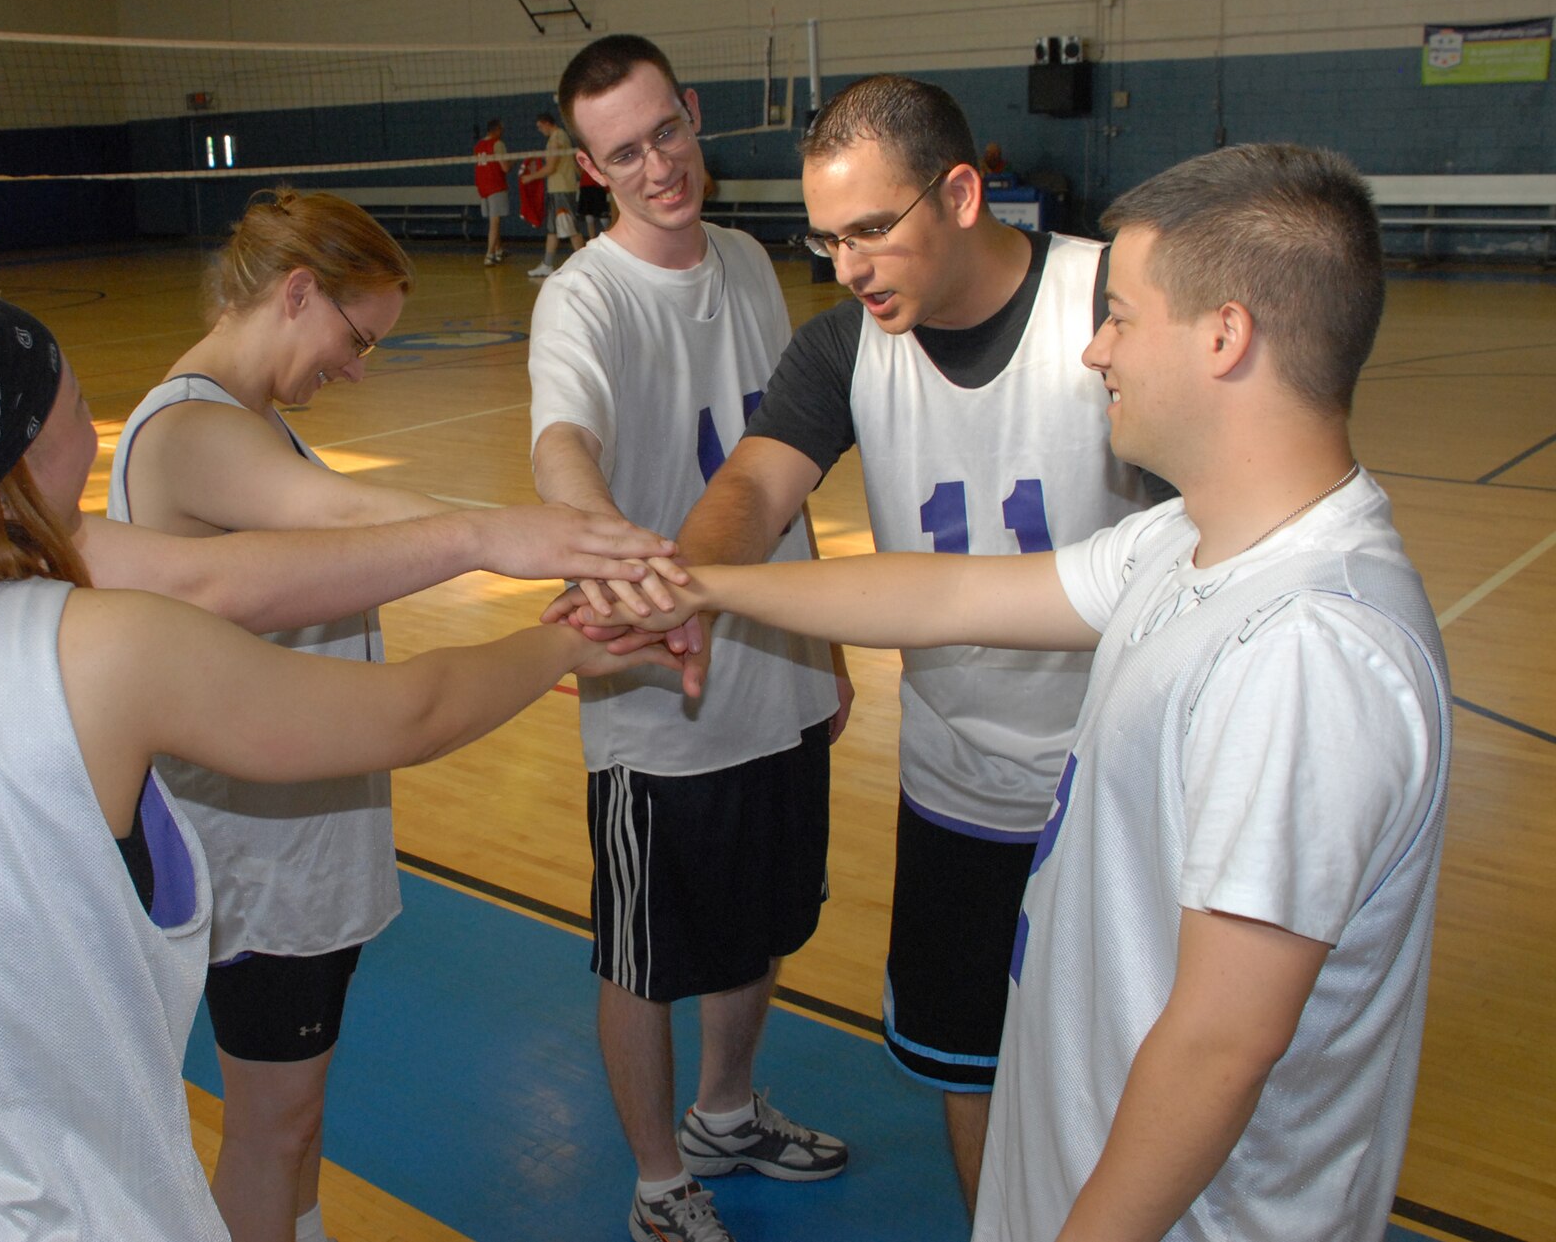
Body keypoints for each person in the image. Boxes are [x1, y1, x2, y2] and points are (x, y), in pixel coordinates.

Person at [0, 159, 665, 1242]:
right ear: (13, 456)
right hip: (28, 1205)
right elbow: (404, 708)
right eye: (76, 407)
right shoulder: (91, 647)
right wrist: (561, 644)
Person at [554, 143, 1451, 1242]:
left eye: (1120, 315)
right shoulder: (1183, 541)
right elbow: (945, 596)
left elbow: (1222, 1046)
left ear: (1224, 336)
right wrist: (696, 586)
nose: (1094, 343)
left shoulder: (1311, 650)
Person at [106, 187, 673, 1242]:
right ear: (295, 292)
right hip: (252, 854)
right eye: (354, 338)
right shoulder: (192, 430)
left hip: (295, 842)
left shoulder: (244, 422)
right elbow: (343, 514)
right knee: (272, 1127)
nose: (356, 369)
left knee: (291, 1118)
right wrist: (520, 539)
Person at [668, 73, 1151, 1207]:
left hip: (1120, 781)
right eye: (827, 239)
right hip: (958, 785)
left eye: (872, 230)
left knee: (1130, 1070)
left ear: (964, 193)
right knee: (968, 1062)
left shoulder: (1103, 309)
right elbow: (752, 482)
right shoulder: (842, 349)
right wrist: (692, 580)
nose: (847, 266)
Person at [528, 34, 848, 1242]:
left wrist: (827, 647)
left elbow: (784, 460)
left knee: (761, 924)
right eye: (624, 152)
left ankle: (725, 1111)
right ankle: (660, 1182)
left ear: (692, 113)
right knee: (644, 954)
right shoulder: (583, 298)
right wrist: (619, 558)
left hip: (773, 666)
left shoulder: (751, 261)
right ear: (590, 166)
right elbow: (564, 445)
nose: (657, 165)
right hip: (658, 695)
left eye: (666, 132)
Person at [520, 110, 587, 277]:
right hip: (555, 189)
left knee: (570, 227)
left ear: (546, 123)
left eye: (539, 126)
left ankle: (588, 264)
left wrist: (530, 177)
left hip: (563, 189)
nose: (539, 130)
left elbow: (551, 167)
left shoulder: (558, 137)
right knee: (552, 229)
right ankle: (547, 264)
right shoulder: (554, 138)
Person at [475, 117, 510, 265]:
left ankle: (498, 250)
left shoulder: (478, 145)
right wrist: (513, 161)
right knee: (494, 222)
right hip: (496, 186)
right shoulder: (498, 144)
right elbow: (505, 167)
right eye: (501, 129)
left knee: (494, 221)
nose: (503, 132)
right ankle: (489, 255)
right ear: (496, 130)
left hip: (483, 187)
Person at [577, 157, 610, 238]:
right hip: (586, 185)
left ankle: (610, 238)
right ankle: (592, 238)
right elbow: (580, 169)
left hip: (598, 185)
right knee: (588, 214)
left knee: (603, 214)